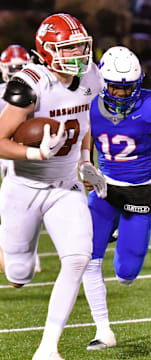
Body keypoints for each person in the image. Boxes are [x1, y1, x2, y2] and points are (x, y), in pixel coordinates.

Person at [0, 13, 103, 360]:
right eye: (68, 47)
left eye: (81, 45)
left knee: (77, 258)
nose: (78, 54)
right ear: (46, 51)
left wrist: (85, 160)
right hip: (24, 188)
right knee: (19, 275)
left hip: (65, 186)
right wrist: (35, 151)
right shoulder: (29, 84)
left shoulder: (90, 76)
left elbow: (84, 121)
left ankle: (48, 348)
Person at [82, 46, 151, 350]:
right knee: (85, 259)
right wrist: (86, 169)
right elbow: (87, 138)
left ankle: (122, 233)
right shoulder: (90, 104)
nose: (120, 93)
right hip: (106, 190)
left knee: (126, 273)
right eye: (115, 85)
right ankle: (103, 330)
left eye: (127, 87)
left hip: (141, 190)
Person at [0, 44, 42, 273]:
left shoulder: (37, 90)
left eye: (21, 67)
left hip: (29, 150)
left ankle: (25, 253)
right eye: (13, 68)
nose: (16, 72)